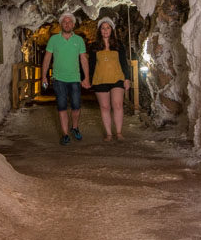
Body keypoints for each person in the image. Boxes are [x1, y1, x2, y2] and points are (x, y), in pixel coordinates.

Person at [41, 12, 91, 145]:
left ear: (73, 25)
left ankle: (74, 127)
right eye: (64, 22)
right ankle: (65, 134)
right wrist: (43, 76)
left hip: (75, 78)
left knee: (76, 106)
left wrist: (86, 77)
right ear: (61, 24)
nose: (67, 24)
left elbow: (83, 60)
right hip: (59, 79)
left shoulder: (79, 40)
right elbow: (47, 58)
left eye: (69, 22)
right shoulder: (54, 40)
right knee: (62, 106)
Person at [88, 16, 132, 141]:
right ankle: (109, 134)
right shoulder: (94, 46)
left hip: (117, 78)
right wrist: (88, 79)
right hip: (100, 79)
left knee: (117, 105)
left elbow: (124, 62)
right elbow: (91, 64)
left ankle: (118, 132)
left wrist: (127, 78)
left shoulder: (118, 45)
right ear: (99, 31)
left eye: (108, 28)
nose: (105, 30)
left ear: (112, 30)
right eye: (103, 28)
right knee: (105, 107)